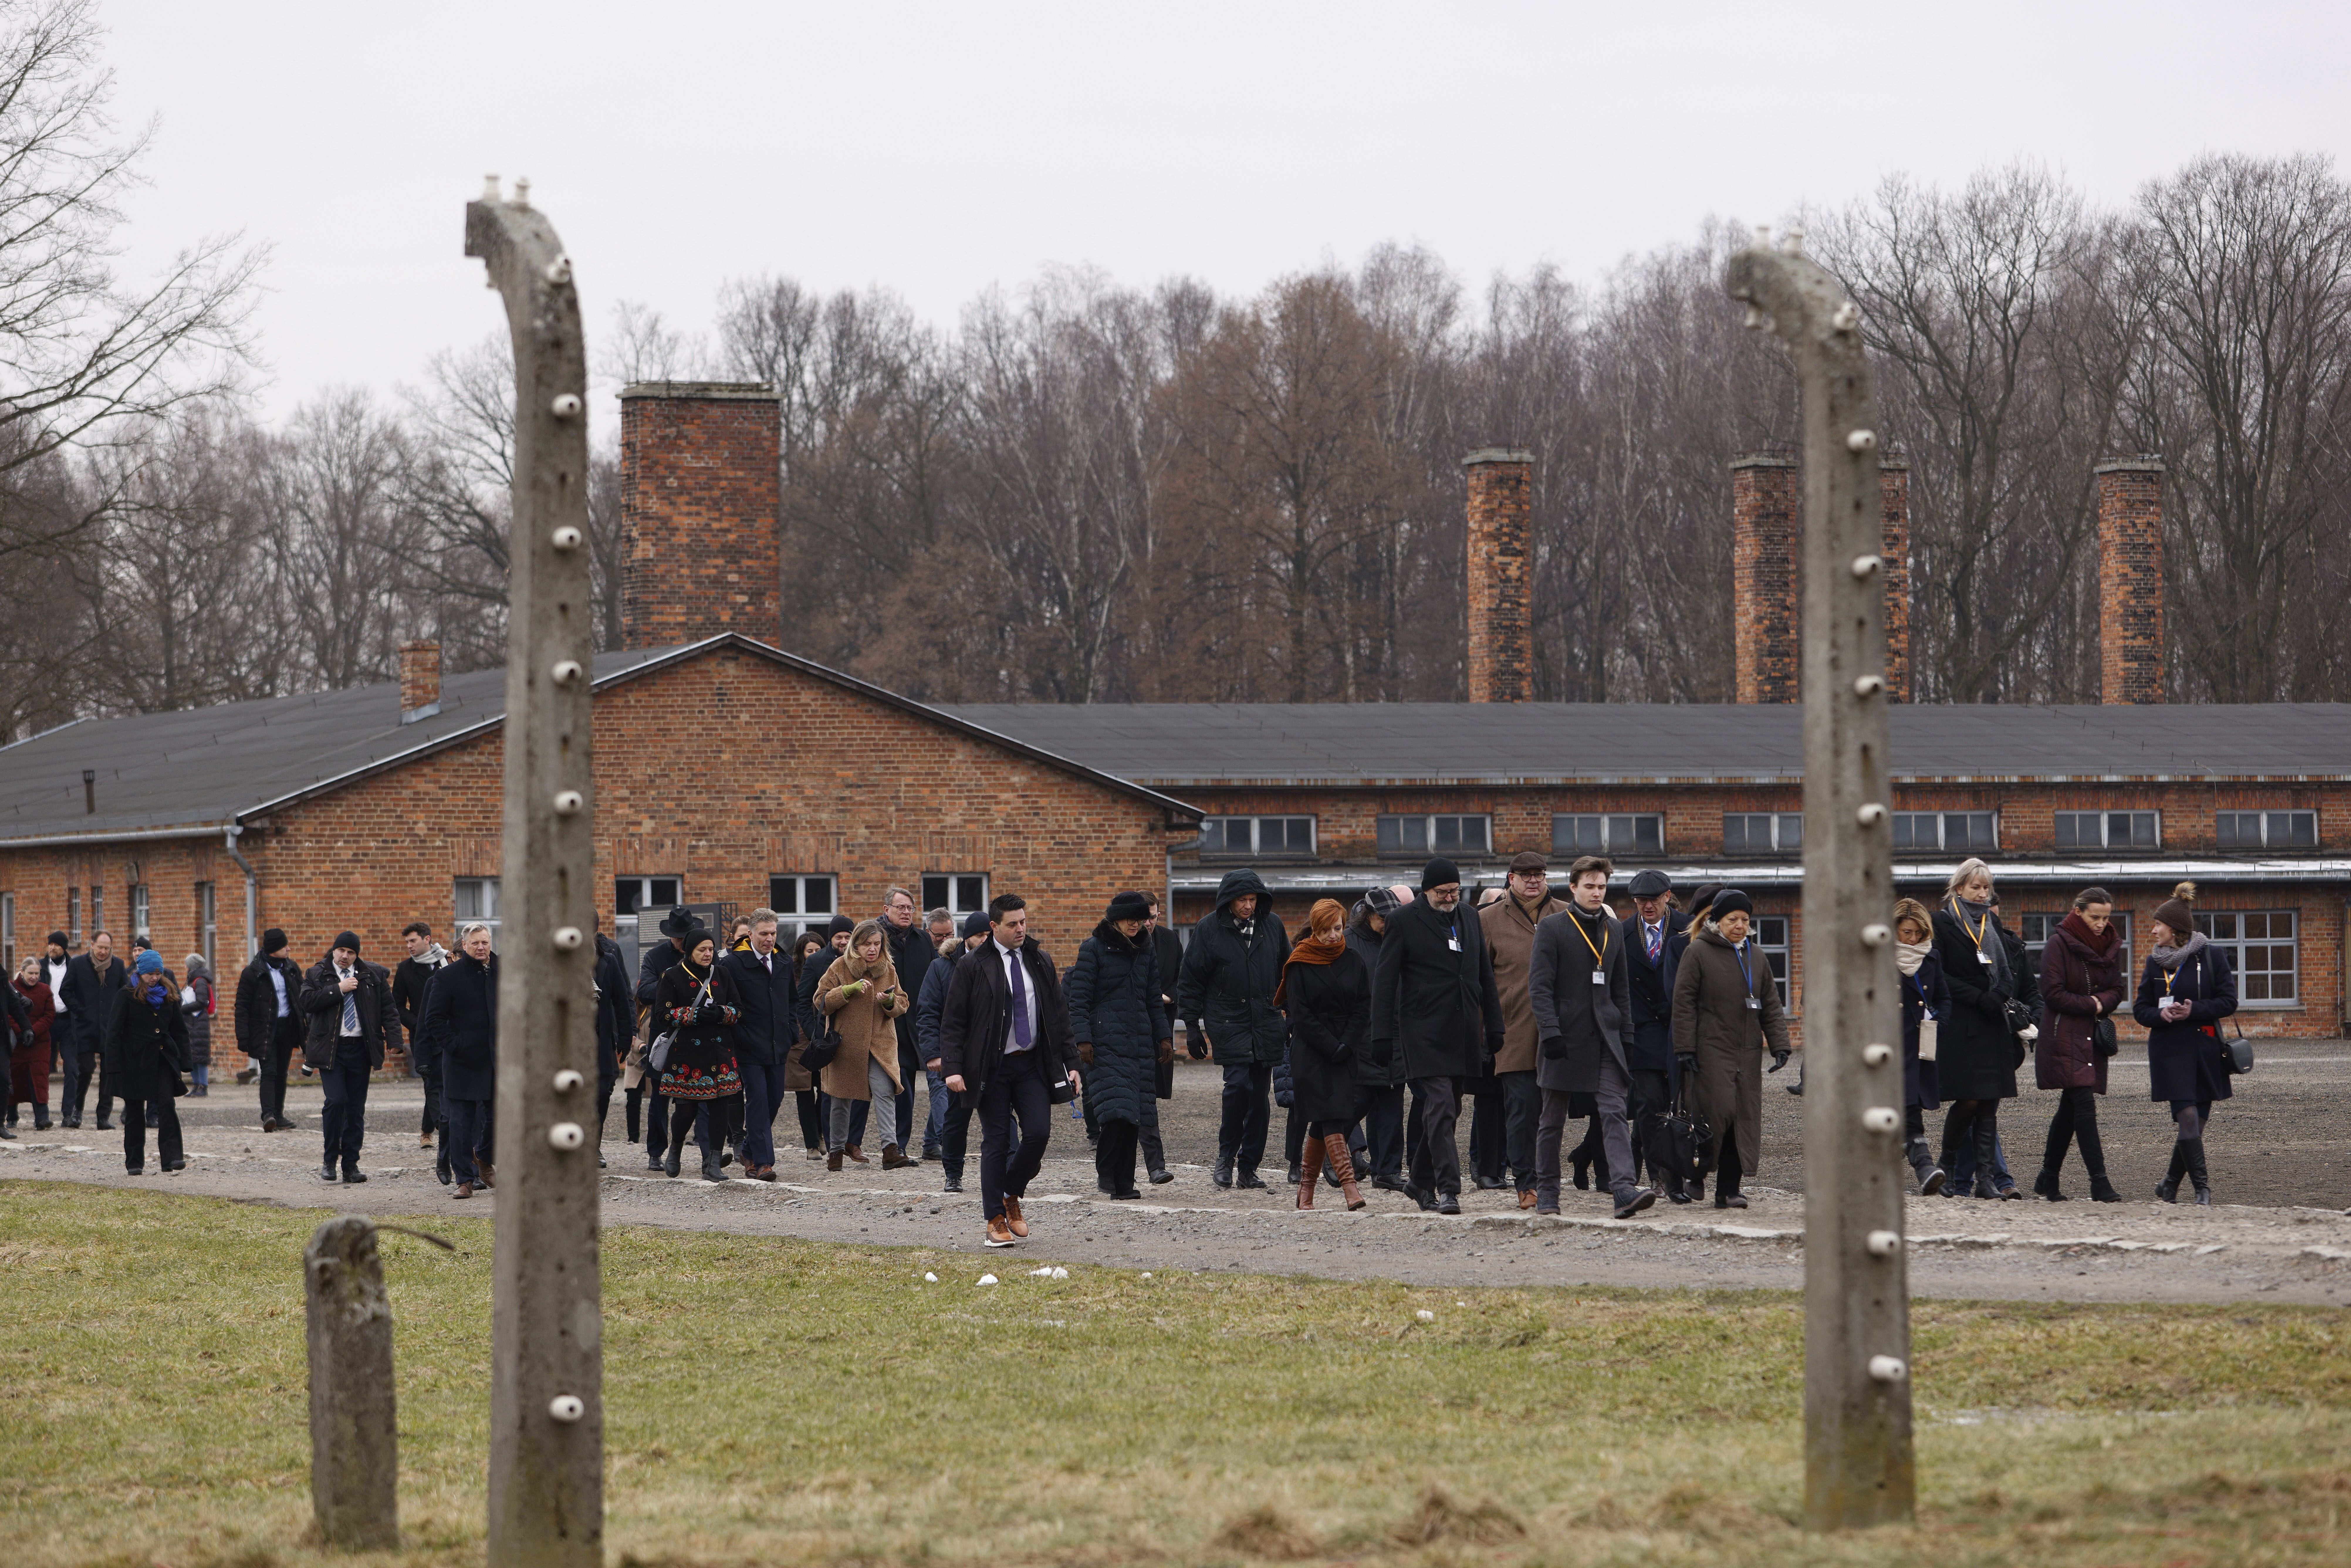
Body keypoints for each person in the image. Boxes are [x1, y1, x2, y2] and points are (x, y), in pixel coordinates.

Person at [940, 893, 1081, 1248]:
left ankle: (1011, 1192)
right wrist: (953, 1068)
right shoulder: (973, 965)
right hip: (991, 1067)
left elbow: (1059, 1017)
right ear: (994, 927)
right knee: (997, 1141)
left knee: (1038, 1133)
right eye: (1012, 924)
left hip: (1032, 1064)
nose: (1021, 929)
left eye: (1023, 922)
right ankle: (995, 1218)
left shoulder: (1039, 959)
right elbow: (954, 1021)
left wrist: (1073, 1063)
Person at [1372, 857, 1506, 1216]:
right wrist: (1381, 1035)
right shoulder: (1402, 921)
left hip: (1463, 1033)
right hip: (1422, 1033)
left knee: (1449, 1110)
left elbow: (1484, 976)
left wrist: (1494, 1024)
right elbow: (1384, 983)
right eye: (1442, 892)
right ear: (1426, 891)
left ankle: (1417, 1180)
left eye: (1455, 891)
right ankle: (1448, 1188)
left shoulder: (1470, 917)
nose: (1450, 898)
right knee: (1441, 1107)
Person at [1529, 855, 1649, 1218]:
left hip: (1606, 1040)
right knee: (1552, 1119)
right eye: (1590, 886)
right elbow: (1540, 986)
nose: (1597, 893)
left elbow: (1621, 990)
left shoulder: (1615, 929)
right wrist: (1550, 1032)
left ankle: (1623, 1188)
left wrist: (1626, 1036)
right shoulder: (1552, 928)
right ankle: (1548, 1190)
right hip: (1563, 1039)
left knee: (1614, 1110)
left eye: (1602, 887)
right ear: (1574, 887)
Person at [1669, 889, 1789, 1210]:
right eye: (1732, 919)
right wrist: (1686, 1047)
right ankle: (1696, 1175)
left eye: (1745, 919)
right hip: (1710, 1051)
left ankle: (1729, 1189)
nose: (1739, 925)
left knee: (1743, 1120)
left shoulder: (1757, 955)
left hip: (1747, 1054)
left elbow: (1772, 1005)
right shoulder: (1698, 953)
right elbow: (1683, 1003)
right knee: (1715, 1115)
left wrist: (1780, 1045)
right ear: (1716, 921)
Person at [1177, 867, 1289, 1190]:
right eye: (1243, 899)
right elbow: (1191, 979)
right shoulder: (1209, 930)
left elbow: (1288, 971)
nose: (1249, 906)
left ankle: (1249, 1167)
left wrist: (1291, 1013)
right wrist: (1192, 1026)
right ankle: (1226, 1157)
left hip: (1265, 1021)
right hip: (1229, 1021)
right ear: (1229, 900)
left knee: (1260, 1099)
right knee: (1238, 1087)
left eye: (1254, 899)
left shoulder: (1273, 926)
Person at [2134, 882, 2236, 1205]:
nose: (2153, 931)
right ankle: (2203, 1189)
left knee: (2197, 1124)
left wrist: (2195, 1009)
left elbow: (2229, 1001)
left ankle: (2169, 1183)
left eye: (2159, 925)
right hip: (2169, 1052)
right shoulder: (2154, 963)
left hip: (2206, 1051)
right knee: (2188, 1118)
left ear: (2176, 929)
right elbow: (2140, 1009)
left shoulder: (2212, 956)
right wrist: (2158, 1015)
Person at [1930, 859, 2025, 1201]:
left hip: (1992, 1022)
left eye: (1986, 887)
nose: (1982, 893)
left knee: (1988, 1102)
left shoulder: (1992, 922)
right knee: (1969, 1098)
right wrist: (1979, 997)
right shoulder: (1941, 922)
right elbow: (1939, 973)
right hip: (1962, 1021)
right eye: (1976, 887)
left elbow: (2009, 969)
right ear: (1959, 889)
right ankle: (1949, 1165)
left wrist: (1998, 995)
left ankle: (1985, 1180)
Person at [1066, 890, 1171, 1200]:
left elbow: (1153, 997)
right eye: (1131, 920)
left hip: (1138, 1041)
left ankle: (1124, 1183)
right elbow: (1079, 999)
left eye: (1141, 920)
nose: (1137, 925)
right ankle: (1108, 1176)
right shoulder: (1093, 949)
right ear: (1115, 920)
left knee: (1135, 1116)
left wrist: (1163, 1036)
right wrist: (1083, 1039)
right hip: (1103, 1044)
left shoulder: (1146, 950)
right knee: (1116, 1113)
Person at [1478, 850, 1563, 1210]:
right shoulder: (1488, 919)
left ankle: (1549, 1180)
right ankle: (1527, 1183)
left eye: (1539, 874)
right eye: (1525, 874)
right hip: (1511, 1032)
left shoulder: (1565, 915)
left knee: (1554, 1113)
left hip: (1558, 1033)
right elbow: (1478, 980)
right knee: (1521, 1111)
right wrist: (1484, 1030)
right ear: (1510, 878)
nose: (1533, 880)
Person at [2035, 886, 2127, 1203]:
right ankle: (2099, 1182)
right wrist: (2094, 1004)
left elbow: (2117, 988)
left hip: (2091, 1036)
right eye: (2095, 917)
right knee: (2083, 1105)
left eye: (2106, 917)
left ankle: (2048, 1177)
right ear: (2078, 911)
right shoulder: (2058, 944)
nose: (2101, 923)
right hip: (2063, 1035)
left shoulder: (2110, 945)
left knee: (2070, 1109)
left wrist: (2099, 1004)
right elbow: (2052, 992)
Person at [1276, 898, 1368, 1211]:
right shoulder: (1300, 962)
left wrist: (1347, 1043)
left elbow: (1362, 1006)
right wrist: (1332, 1045)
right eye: (1326, 930)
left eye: (1338, 928)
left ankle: (1306, 1190)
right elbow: (1300, 1014)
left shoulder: (1353, 960)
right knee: (1331, 1115)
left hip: (1346, 1049)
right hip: (1312, 1051)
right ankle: (1349, 1186)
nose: (1333, 935)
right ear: (1314, 930)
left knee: (1324, 1119)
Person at [299, 932, 395, 1185]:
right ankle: (329, 1159)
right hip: (332, 1049)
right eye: (341, 950)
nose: (345, 956)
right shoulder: (317, 974)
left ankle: (350, 1165)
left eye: (351, 952)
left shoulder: (372, 975)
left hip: (361, 1049)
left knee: (355, 1108)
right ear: (334, 951)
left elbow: (388, 1009)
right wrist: (338, 990)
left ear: (357, 955)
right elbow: (307, 1001)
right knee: (336, 1100)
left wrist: (395, 1041)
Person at [817, 919, 912, 1170]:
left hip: (880, 1045)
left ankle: (890, 1150)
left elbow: (902, 1003)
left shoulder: (889, 969)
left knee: (885, 1092)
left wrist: (890, 1001)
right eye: (866, 944)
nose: (872, 949)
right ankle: (836, 1151)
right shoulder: (839, 967)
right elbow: (821, 1002)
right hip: (845, 1046)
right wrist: (847, 991)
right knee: (841, 1099)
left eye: (877, 944)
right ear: (855, 945)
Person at [653, 926, 744, 1182]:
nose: (707, 954)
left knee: (719, 1108)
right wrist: (693, 1015)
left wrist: (722, 1013)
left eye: (711, 949)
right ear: (690, 951)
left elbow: (739, 1010)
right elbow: (662, 1014)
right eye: (701, 949)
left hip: (719, 1053)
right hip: (687, 1055)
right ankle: (676, 1147)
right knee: (686, 1111)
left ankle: (714, 1164)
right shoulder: (672, 976)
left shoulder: (723, 974)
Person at [1619, 871, 1687, 1200]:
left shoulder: (1688, 929)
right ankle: (1657, 1176)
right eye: (1641, 900)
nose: (1647, 905)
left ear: (1667, 896)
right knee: (1648, 1105)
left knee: (1680, 1103)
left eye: (1654, 899)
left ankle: (1681, 1174)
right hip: (1642, 1030)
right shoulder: (1622, 934)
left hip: (1679, 1027)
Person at [423, 922, 499, 1197]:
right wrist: (457, 1046)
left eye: (485, 943)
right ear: (464, 946)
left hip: (496, 1060)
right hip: (461, 1062)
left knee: (498, 1116)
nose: (481, 947)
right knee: (460, 1122)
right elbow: (434, 1019)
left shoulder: (504, 971)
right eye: (475, 943)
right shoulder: (449, 977)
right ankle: (464, 1180)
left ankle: (485, 1158)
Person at [723, 909, 798, 1181]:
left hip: (778, 1045)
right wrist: (740, 1036)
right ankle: (763, 1162)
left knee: (775, 1098)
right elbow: (730, 1005)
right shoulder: (734, 964)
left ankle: (748, 1150)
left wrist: (791, 1031)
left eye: (773, 933)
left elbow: (792, 1001)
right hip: (748, 1046)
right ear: (751, 934)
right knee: (758, 1100)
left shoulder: (784, 962)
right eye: (764, 934)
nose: (769, 939)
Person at [920, 912, 992, 1192]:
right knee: (955, 1118)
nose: (985, 941)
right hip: (956, 1054)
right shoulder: (941, 967)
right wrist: (934, 1054)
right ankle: (953, 1174)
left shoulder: (999, 962)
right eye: (980, 937)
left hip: (991, 1053)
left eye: (989, 936)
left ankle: (1011, 1168)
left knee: (999, 1113)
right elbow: (928, 1013)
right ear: (967, 938)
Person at [1346, 887, 1411, 1190]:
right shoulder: (1348, 943)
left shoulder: (1402, 939)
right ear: (1368, 915)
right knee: (1354, 1104)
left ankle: (1388, 1170)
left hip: (1397, 1035)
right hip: (1361, 1038)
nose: (1389, 923)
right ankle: (1329, 1157)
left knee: (1392, 1108)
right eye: (1383, 918)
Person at [109, 948, 190, 1175]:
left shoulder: (169, 994)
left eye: (158, 973)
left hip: (163, 1058)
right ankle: (135, 1161)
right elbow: (113, 1033)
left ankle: (172, 1158)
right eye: (150, 974)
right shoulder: (126, 995)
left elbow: (180, 1030)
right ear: (140, 972)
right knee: (135, 1110)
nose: (155, 977)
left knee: (166, 1105)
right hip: (133, 1060)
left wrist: (186, 1060)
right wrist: (114, 1066)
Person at [1892, 898, 1950, 1195]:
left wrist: (1938, 1020)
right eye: (1906, 932)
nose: (1913, 938)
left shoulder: (1932, 958)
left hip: (1920, 1044)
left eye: (1917, 932)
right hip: (1888, 1045)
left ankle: (1924, 1165)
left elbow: (1944, 998)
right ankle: (1923, 1163)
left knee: (1911, 1104)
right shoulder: (1879, 958)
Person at [636, 907, 699, 1173]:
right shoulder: (656, 956)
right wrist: (672, 981)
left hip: (695, 1036)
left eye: (685, 936)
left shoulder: (701, 953)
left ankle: (706, 1150)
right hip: (664, 1036)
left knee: (698, 1097)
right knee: (659, 1100)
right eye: (677, 937)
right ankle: (656, 1153)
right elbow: (644, 991)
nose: (682, 942)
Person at [797, 914, 862, 1154]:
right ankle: (827, 1141)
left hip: (856, 1034)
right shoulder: (816, 962)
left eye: (848, 937)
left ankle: (852, 1142)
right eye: (839, 937)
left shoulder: (861, 960)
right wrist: (815, 1034)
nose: (844, 942)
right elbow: (804, 1002)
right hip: (825, 1037)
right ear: (830, 938)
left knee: (856, 1091)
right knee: (827, 1092)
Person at [236, 929, 306, 1132]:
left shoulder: (292, 968)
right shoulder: (253, 972)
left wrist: (305, 1027)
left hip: (287, 1028)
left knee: (282, 1073)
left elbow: (301, 998)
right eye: (285, 946)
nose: (289, 949)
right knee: (269, 1072)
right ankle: (268, 1115)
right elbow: (242, 1006)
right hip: (264, 1029)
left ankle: (279, 1114)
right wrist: (243, 1036)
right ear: (275, 948)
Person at [880, 887, 931, 1161]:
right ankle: (845, 1144)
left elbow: (934, 980)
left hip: (914, 1028)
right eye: (900, 907)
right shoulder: (875, 938)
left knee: (906, 1091)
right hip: (883, 1026)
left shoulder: (922, 940)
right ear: (886, 909)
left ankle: (898, 1145)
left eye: (910, 908)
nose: (906, 912)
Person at [1136, 895, 1182, 1185]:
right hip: (1125, 1032)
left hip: (1157, 1024)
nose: (1149, 923)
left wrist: (1169, 996)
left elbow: (1182, 975)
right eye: (1145, 918)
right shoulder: (1115, 943)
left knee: (1146, 1099)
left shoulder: (1169, 940)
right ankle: (1115, 1170)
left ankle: (1156, 1165)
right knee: (1131, 1103)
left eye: (1154, 916)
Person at [60, 931, 126, 1130]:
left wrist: (119, 1016)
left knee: (109, 1072)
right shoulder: (79, 964)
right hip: (85, 1027)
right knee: (86, 1069)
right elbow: (65, 990)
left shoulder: (118, 965)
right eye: (100, 947)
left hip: (110, 1028)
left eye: (107, 948)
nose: (103, 952)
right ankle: (77, 1110)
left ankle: (103, 1116)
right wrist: (79, 1010)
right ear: (92, 945)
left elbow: (125, 992)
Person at [393, 923, 448, 1155]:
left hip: (449, 1035)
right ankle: (443, 1129)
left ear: (427, 939)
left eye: (413, 941)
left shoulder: (447, 963)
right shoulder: (405, 969)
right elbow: (397, 1006)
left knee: (444, 1085)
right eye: (407, 942)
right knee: (432, 1085)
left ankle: (428, 1129)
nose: (409, 946)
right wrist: (418, 1023)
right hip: (423, 1038)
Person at [782, 931, 830, 1159]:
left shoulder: (829, 972)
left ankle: (821, 1134)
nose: (813, 955)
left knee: (825, 1090)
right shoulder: (791, 975)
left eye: (817, 951)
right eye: (809, 951)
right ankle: (811, 1144)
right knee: (803, 1093)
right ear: (801, 953)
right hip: (799, 1039)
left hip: (822, 1037)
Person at [592, 915, 633, 1169]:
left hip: (601, 1036)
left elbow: (622, 997)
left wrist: (627, 1036)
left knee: (602, 1092)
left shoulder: (607, 957)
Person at [10, 956, 56, 1130]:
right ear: (22, 972)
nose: (34, 977)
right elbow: (8, 1015)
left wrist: (33, 1031)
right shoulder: (12, 989)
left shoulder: (45, 991)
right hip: (16, 1042)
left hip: (40, 1043)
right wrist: (22, 1032)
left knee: (39, 1078)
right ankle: (11, 1115)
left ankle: (42, 1118)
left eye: (37, 974)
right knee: (14, 1077)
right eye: (31, 973)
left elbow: (50, 1015)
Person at [180, 955, 216, 1097]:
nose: (185, 967)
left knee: (200, 1056)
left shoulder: (199, 981)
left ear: (192, 966)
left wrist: (183, 1009)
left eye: (187, 965)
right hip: (193, 1023)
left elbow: (202, 1002)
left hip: (198, 1023)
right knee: (193, 1055)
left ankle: (203, 1086)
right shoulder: (195, 980)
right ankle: (196, 1086)